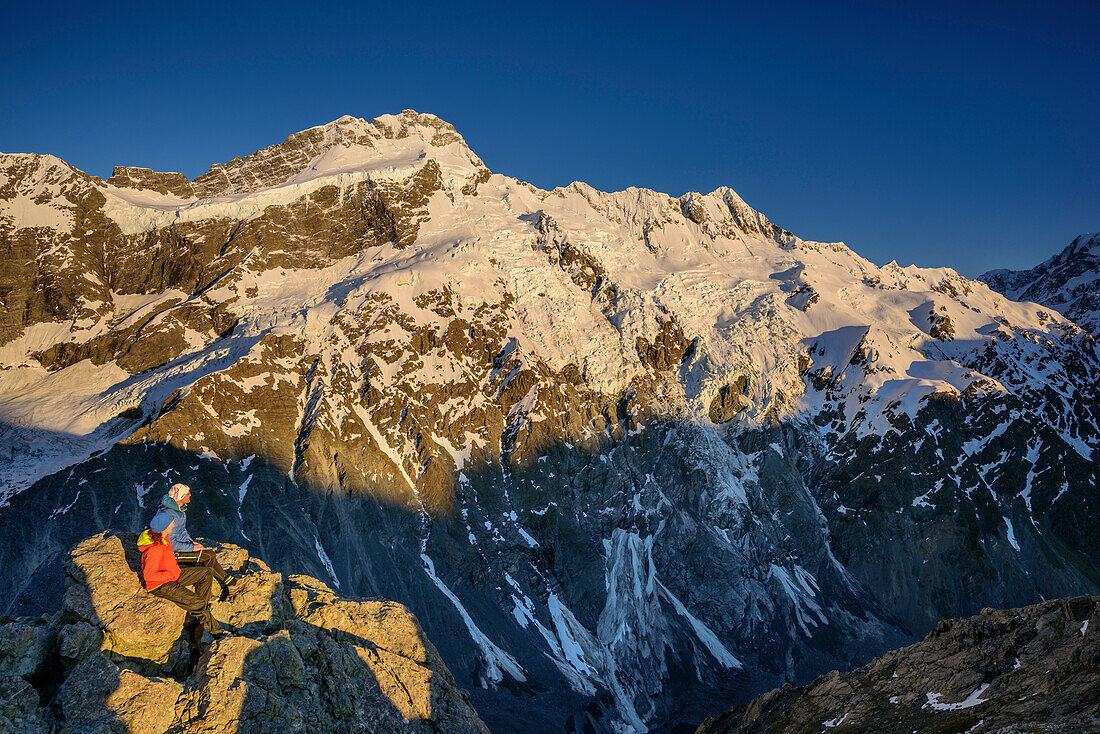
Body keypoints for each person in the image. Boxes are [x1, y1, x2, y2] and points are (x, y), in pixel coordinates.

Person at [138, 511, 226, 639]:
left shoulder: (164, 538)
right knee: (199, 604)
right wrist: (169, 574)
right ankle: (218, 633)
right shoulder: (154, 550)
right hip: (161, 585)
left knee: (207, 572)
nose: (173, 526)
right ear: (164, 528)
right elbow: (149, 576)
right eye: (171, 524)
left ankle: (199, 610)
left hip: (174, 574)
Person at [159, 483, 242, 599]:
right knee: (208, 556)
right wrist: (191, 548)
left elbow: (181, 531)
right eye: (187, 493)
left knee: (204, 557)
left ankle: (211, 589)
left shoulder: (178, 510)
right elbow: (170, 544)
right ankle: (230, 584)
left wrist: (191, 543)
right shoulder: (168, 514)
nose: (190, 495)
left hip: (178, 549)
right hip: (170, 554)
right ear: (180, 496)